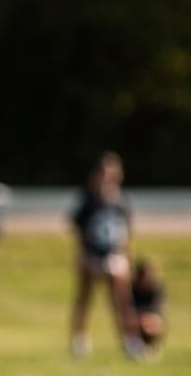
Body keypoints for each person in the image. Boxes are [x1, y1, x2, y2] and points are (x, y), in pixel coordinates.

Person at [68, 151, 142, 359]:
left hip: (114, 255)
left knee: (122, 300)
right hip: (91, 254)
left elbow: (126, 233)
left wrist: (125, 257)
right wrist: (83, 255)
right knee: (85, 298)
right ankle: (79, 339)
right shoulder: (88, 199)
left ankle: (129, 340)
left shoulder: (120, 200)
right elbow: (79, 229)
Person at [130, 256, 166, 351]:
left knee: (151, 324)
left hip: (151, 318)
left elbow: (158, 309)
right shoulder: (132, 288)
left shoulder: (156, 289)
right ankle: (135, 345)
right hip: (137, 318)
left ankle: (152, 347)